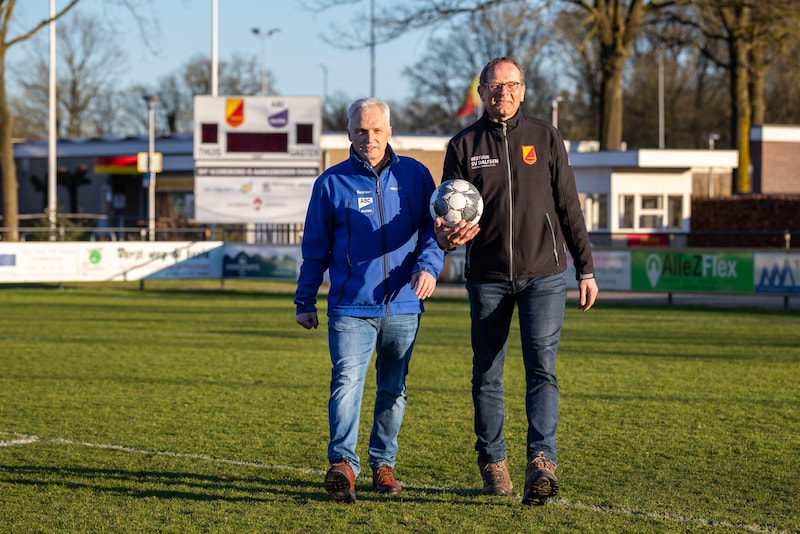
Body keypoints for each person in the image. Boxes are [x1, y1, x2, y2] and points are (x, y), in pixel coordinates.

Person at [436, 57, 598, 506]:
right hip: (487, 277)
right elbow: (446, 212)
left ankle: (542, 462)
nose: (502, 92)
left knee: (541, 368)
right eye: (493, 85)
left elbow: (568, 205)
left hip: (544, 275)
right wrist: (447, 237)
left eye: (510, 85)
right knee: (487, 373)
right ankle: (493, 463)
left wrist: (585, 268)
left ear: (523, 90)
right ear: (482, 91)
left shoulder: (545, 137)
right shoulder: (463, 145)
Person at [294, 97, 444, 504]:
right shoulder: (330, 183)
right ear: (349, 133)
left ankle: (383, 465)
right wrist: (305, 300)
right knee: (346, 384)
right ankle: (343, 465)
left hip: (404, 305)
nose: (369, 138)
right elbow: (314, 249)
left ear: (390, 132)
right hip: (349, 308)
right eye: (361, 130)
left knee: (393, 388)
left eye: (377, 130)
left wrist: (428, 268)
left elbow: (433, 232)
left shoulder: (416, 175)